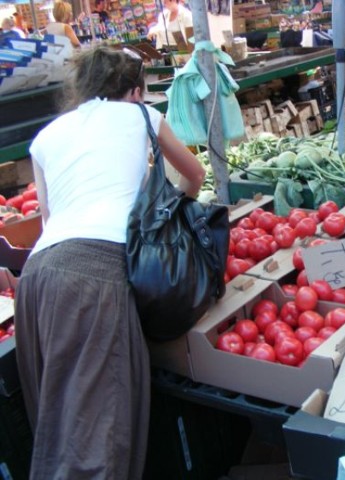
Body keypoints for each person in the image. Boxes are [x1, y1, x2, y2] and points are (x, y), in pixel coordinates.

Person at [14, 45, 205, 479]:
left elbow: (50, 222)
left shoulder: (46, 136)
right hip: (95, 276)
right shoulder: (141, 116)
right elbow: (194, 175)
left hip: (39, 278)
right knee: (99, 430)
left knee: (57, 420)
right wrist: (167, 224)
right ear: (135, 90)